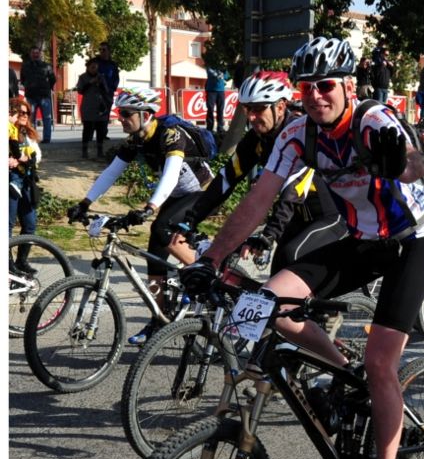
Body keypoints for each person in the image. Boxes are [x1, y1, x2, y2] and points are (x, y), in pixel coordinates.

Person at [178, 37, 424, 459]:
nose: (316, 95)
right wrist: (211, 259)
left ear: (347, 86)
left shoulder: (373, 120)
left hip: (413, 241)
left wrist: (399, 163)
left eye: (326, 86)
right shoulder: (298, 134)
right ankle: (344, 370)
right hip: (361, 240)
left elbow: (416, 164)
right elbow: (258, 198)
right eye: (307, 88)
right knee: (271, 304)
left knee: (381, 362)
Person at [67, 85, 215, 345]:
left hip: (202, 192)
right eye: (119, 113)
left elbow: (171, 175)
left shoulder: (170, 134)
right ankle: (159, 318)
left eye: (126, 114)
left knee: (161, 228)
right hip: (175, 196)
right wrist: (85, 202)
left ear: (146, 115)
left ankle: (207, 277)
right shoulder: (136, 139)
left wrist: (150, 207)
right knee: (154, 257)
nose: (121, 118)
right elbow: (112, 172)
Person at [171, 71, 347, 276]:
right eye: (247, 109)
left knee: (291, 258)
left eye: (259, 108)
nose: (251, 117)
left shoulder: (300, 134)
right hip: (296, 218)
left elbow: (294, 191)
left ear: (280, 106)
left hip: (330, 215)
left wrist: (270, 234)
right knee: (277, 277)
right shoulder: (256, 139)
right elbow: (226, 179)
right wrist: (192, 219)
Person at [9, 97, 41, 238]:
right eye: (22, 112)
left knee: (30, 225)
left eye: (27, 113)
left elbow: (38, 155)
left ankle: (22, 254)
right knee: (7, 224)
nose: (25, 115)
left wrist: (21, 160)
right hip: (10, 182)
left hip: (26, 181)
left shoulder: (27, 133)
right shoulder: (8, 130)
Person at [75, 57, 112, 160]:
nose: (94, 69)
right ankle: (84, 151)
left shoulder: (101, 77)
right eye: (92, 67)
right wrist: (91, 82)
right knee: (87, 129)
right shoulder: (83, 77)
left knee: (101, 129)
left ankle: (100, 151)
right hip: (88, 106)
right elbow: (80, 90)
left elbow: (106, 90)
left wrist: (101, 83)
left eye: (96, 68)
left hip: (100, 107)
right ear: (88, 67)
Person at [19, 46, 56, 145]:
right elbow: (22, 79)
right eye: (33, 53)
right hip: (31, 96)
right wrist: (28, 86)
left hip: (44, 96)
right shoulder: (25, 66)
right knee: (31, 119)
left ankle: (47, 139)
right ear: (30, 54)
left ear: (40, 54)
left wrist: (47, 88)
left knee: (47, 118)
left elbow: (53, 79)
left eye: (37, 53)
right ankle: (33, 138)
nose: (35, 55)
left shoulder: (47, 66)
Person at [204, 64, 228, 136]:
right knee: (210, 109)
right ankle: (209, 128)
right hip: (211, 91)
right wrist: (219, 74)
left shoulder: (223, 67)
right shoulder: (210, 65)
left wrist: (223, 74)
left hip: (221, 91)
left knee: (220, 110)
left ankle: (220, 128)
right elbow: (211, 73)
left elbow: (226, 77)